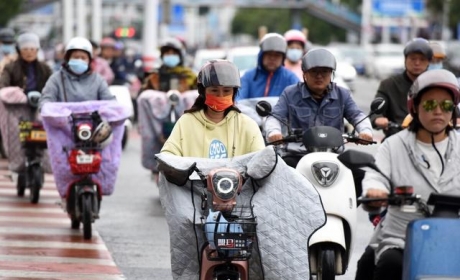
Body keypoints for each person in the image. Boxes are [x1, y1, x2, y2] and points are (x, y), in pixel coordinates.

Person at [355, 69, 460, 280]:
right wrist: (375, 193)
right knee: (384, 264)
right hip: (401, 238)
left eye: (446, 105)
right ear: (415, 107)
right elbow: (377, 176)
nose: (438, 111)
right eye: (430, 104)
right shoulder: (393, 146)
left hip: (454, 238)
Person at [265, 48, 373, 166]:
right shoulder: (290, 93)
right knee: (279, 174)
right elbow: (275, 117)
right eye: (314, 71)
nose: (319, 76)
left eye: (325, 71)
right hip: (298, 156)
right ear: (305, 73)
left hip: (334, 156)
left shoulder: (343, 94)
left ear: (332, 73)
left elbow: (357, 115)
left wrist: (365, 131)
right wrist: (274, 132)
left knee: (361, 177)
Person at [161, 59, 265, 158]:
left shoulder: (247, 125)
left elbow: (261, 159)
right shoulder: (186, 123)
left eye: (226, 91)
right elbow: (168, 153)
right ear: (203, 92)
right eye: (214, 90)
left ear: (234, 92)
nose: (220, 95)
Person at [372, 38, 432, 141]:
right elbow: (377, 109)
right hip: (396, 138)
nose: (417, 63)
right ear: (405, 60)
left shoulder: (435, 86)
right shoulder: (389, 84)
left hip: (429, 139)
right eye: (413, 58)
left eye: (422, 59)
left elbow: (451, 110)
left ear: (429, 62)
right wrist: (378, 118)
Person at [38, 36, 115, 110]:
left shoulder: (98, 80)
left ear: (89, 60)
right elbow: (46, 99)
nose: (79, 60)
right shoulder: (56, 79)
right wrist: (48, 108)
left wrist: (114, 108)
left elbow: (108, 99)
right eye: (76, 57)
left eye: (83, 58)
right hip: (64, 122)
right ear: (68, 58)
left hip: (93, 122)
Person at [236, 33, 299, 100]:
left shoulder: (290, 78)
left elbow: (298, 100)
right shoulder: (248, 77)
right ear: (261, 55)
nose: (272, 58)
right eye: (269, 54)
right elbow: (239, 98)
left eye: (277, 55)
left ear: (282, 58)